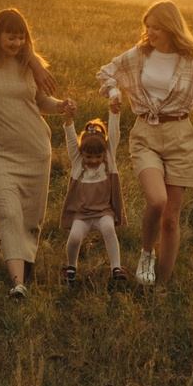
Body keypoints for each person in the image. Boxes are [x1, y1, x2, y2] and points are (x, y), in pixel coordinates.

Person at [98, 0, 193, 289]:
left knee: (171, 220)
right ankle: (146, 254)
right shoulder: (137, 55)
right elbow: (105, 73)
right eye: (147, 27)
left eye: (156, 27)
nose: (150, 32)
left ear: (171, 27)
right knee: (157, 201)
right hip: (145, 134)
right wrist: (114, 92)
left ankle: (162, 285)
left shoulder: (191, 62)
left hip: (181, 139)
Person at [0, 7, 73, 299]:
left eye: (21, 38)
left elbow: (41, 100)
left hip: (35, 150)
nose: (16, 43)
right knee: (9, 213)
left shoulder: (31, 64)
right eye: (10, 37)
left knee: (31, 218)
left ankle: (24, 272)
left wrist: (60, 105)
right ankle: (17, 284)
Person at [56, 115, 129, 287]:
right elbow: (72, 141)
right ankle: (71, 268)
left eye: (98, 156)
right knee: (74, 237)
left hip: (104, 213)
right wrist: (68, 121)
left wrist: (114, 112)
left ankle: (116, 268)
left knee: (109, 228)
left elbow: (113, 134)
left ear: (104, 153)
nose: (94, 160)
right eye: (89, 156)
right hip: (82, 216)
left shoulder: (108, 162)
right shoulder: (78, 163)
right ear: (81, 153)